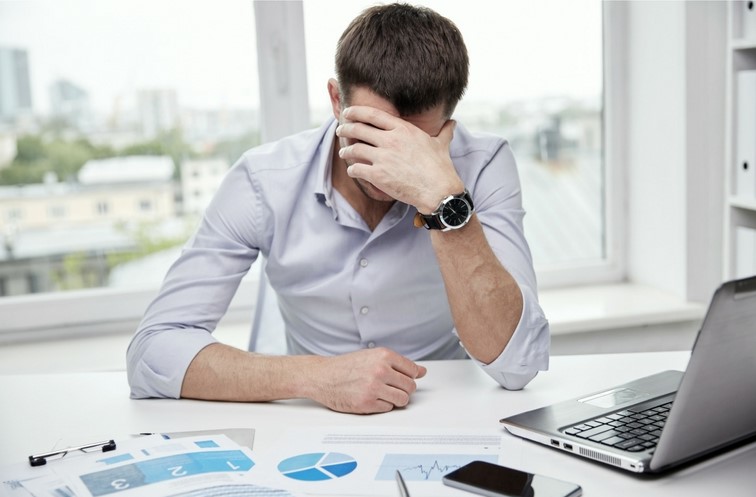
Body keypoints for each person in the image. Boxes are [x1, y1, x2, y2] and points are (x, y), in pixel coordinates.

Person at [126, 2, 549, 414]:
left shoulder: (483, 164)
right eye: (373, 131)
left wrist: (443, 199)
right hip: (309, 418)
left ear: (448, 125)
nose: (391, 163)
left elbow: (518, 365)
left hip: (446, 410)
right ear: (335, 100)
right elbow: (153, 352)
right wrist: (314, 377)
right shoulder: (263, 180)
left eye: (414, 142)